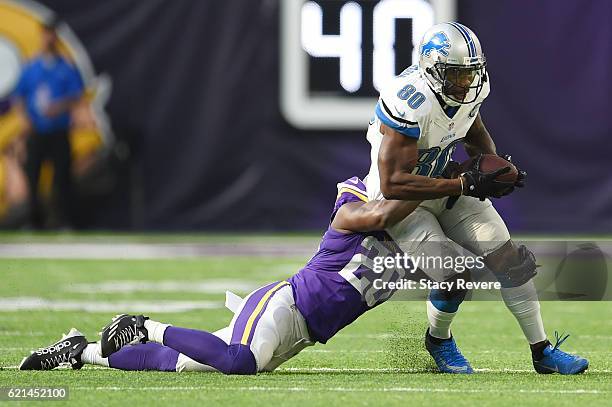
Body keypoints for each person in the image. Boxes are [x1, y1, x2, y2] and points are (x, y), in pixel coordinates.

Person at [19, 177, 427, 373]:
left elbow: (452, 273)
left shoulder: (419, 243)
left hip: (302, 334)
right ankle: (144, 326)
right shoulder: (360, 197)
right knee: (239, 362)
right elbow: (374, 212)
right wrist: (440, 186)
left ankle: (81, 351)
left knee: (183, 364)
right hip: (285, 305)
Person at [363, 21, 587, 374]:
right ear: (432, 69)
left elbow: (474, 131)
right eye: (456, 74)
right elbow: (394, 183)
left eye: (470, 74)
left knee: (509, 258)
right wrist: (464, 184)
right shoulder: (409, 100)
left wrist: (492, 169)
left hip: (446, 182)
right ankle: (438, 340)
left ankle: (542, 350)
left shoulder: (469, 93)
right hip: (400, 202)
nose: (465, 83)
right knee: (454, 274)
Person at [13, 17, 83, 228]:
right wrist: (26, 120)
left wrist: (58, 107)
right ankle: (34, 222)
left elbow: (76, 96)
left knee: (62, 178)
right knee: (32, 177)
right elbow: (19, 97)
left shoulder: (66, 67)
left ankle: (63, 221)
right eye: (45, 33)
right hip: (37, 131)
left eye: (51, 33)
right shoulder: (32, 67)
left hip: (58, 130)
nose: (48, 38)